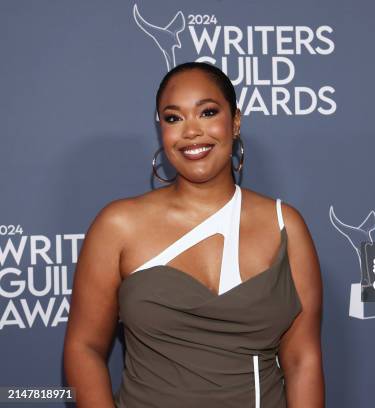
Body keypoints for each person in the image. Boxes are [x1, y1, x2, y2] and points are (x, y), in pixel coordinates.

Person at [63, 61, 325, 407]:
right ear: (162, 131)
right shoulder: (118, 226)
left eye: (207, 112)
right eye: (173, 118)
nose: (190, 131)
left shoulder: (284, 226)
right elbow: (84, 348)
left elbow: (302, 360)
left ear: (235, 121)